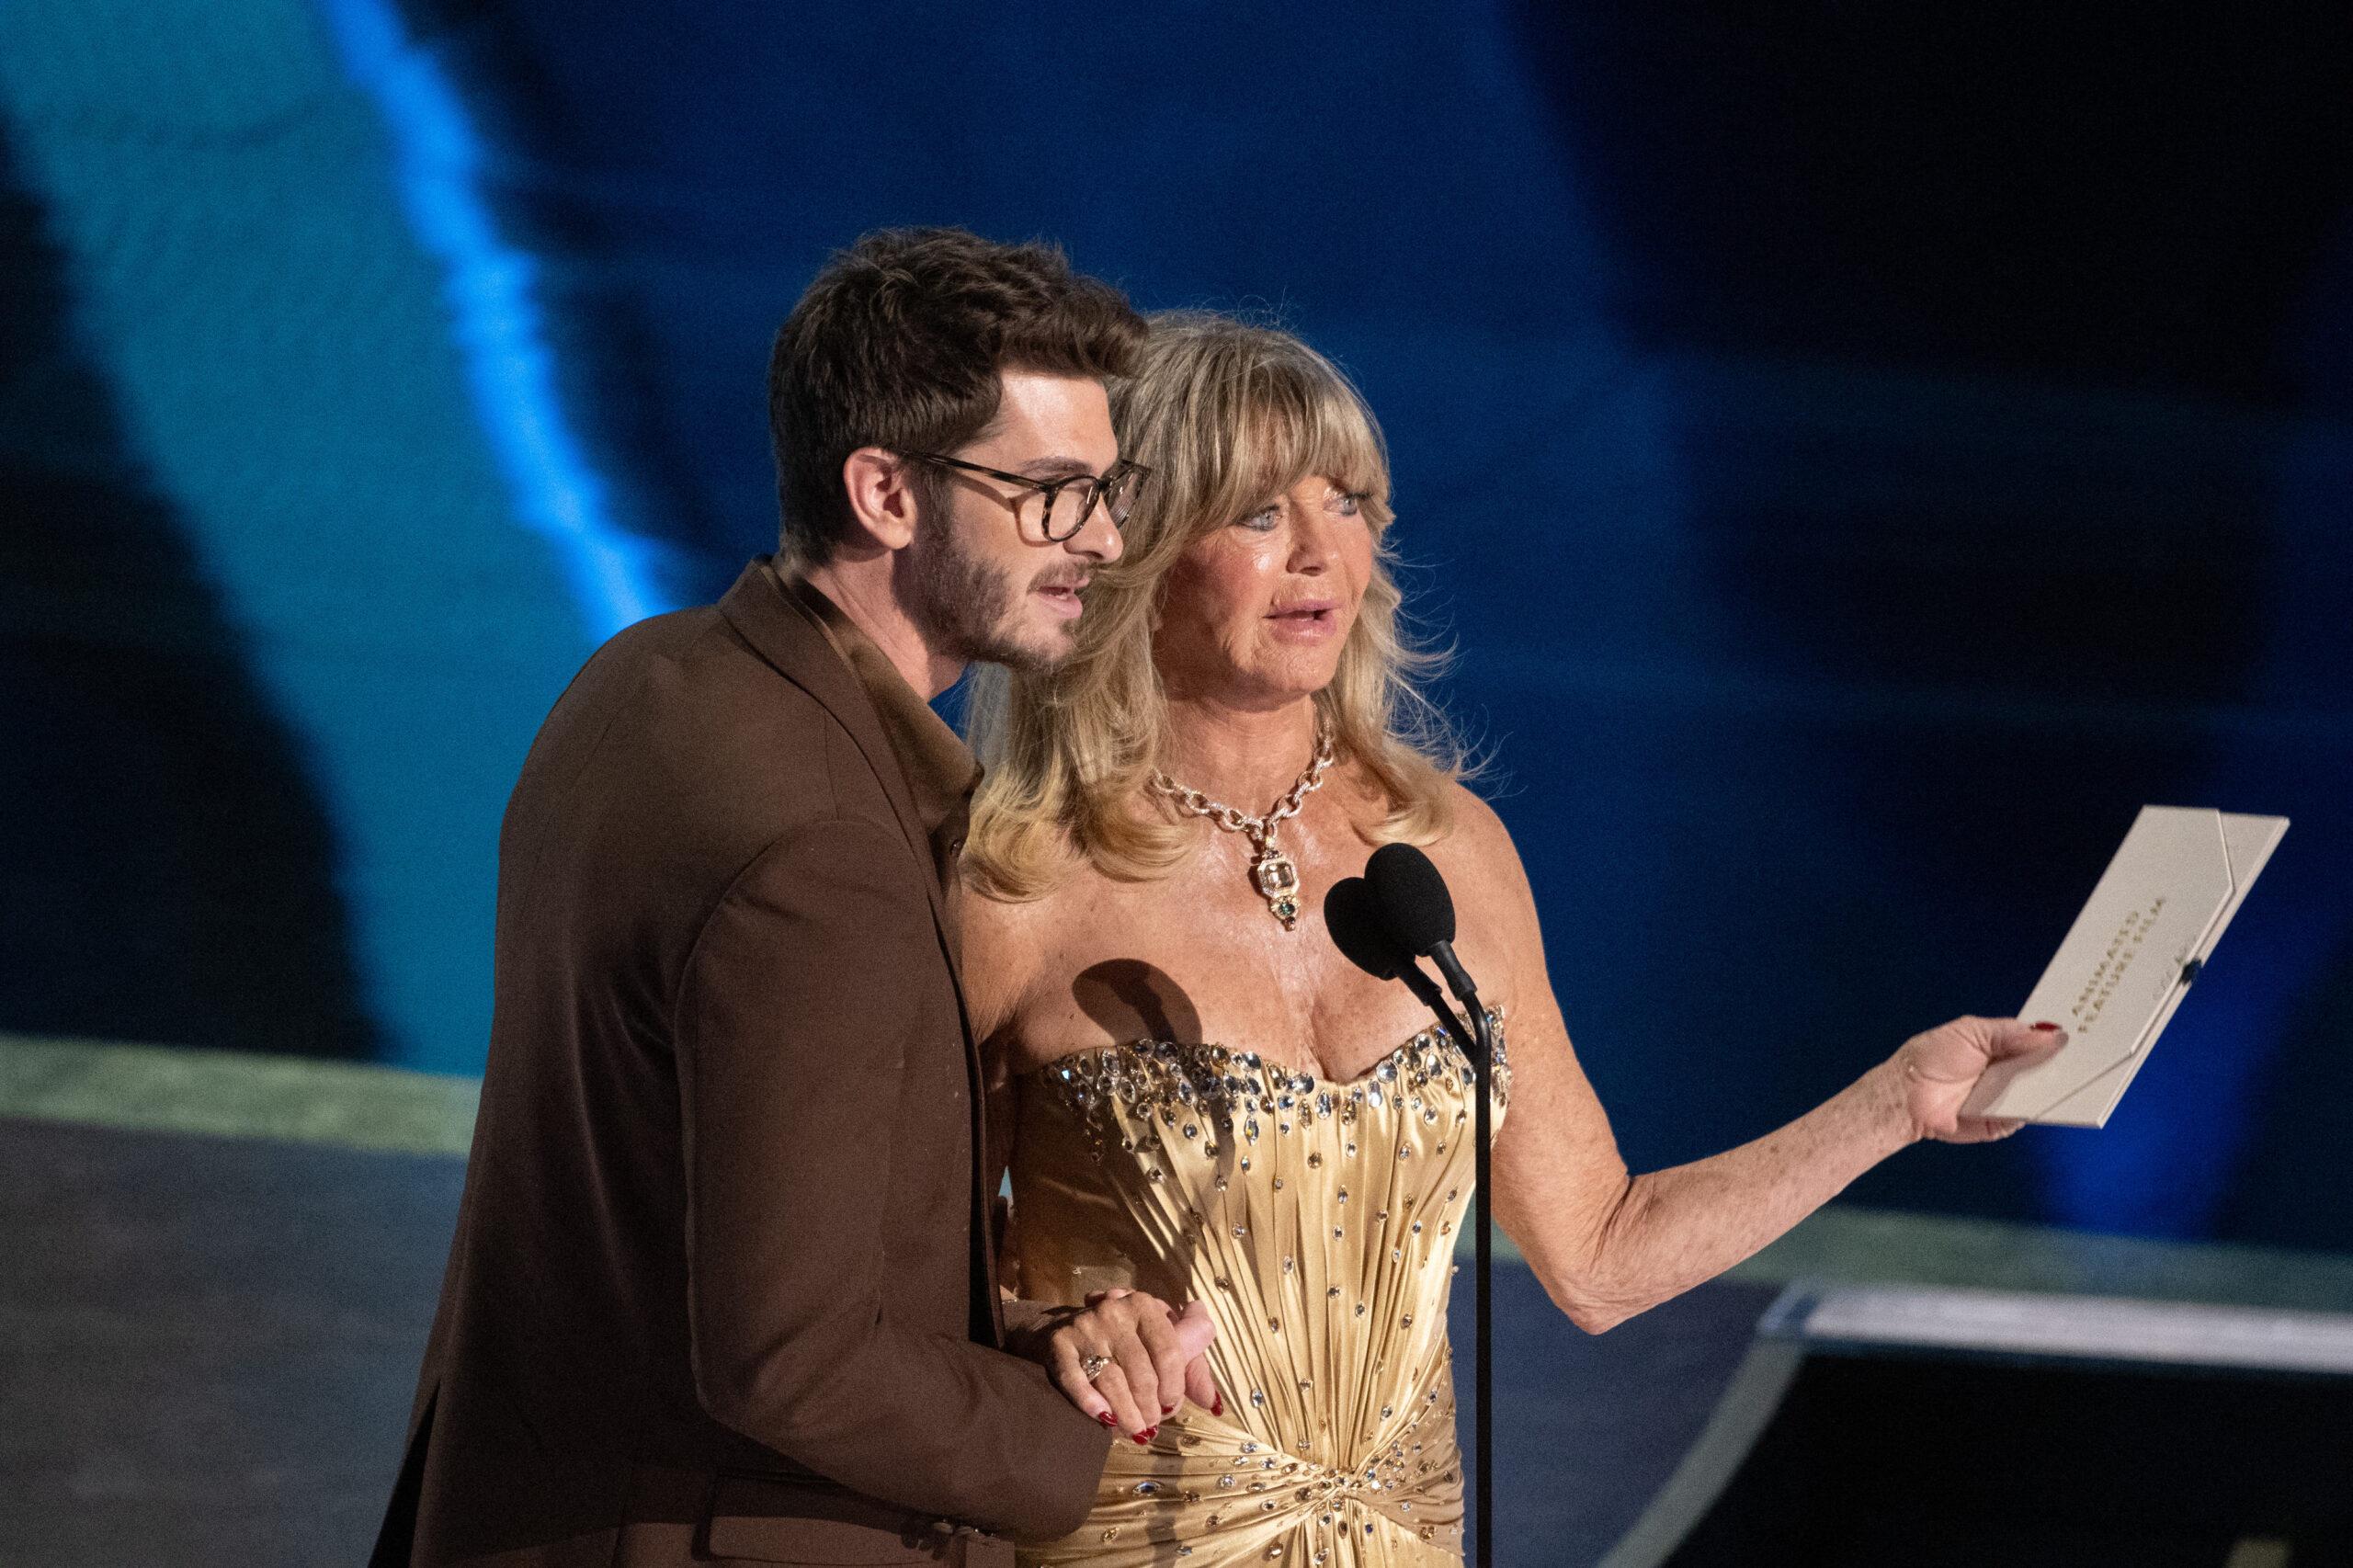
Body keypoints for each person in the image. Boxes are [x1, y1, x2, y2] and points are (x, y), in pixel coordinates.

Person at [958, 312, 2065, 1567]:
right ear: (1135, 548)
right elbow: (869, 1295)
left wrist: (1894, 1103)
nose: (1324, 554)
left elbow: (1599, 1252)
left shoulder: (1448, 851)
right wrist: (1042, 1322)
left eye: (1350, 502)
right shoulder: (1020, 878)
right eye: (1260, 514)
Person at [369, 229, 1219, 1568]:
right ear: (886, 492)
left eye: (1110, 490)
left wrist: (1033, 1330)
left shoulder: (635, 685)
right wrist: (1073, 1444)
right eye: (1054, 493)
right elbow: (791, 1355)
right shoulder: (820, 852)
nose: (1103, 540)